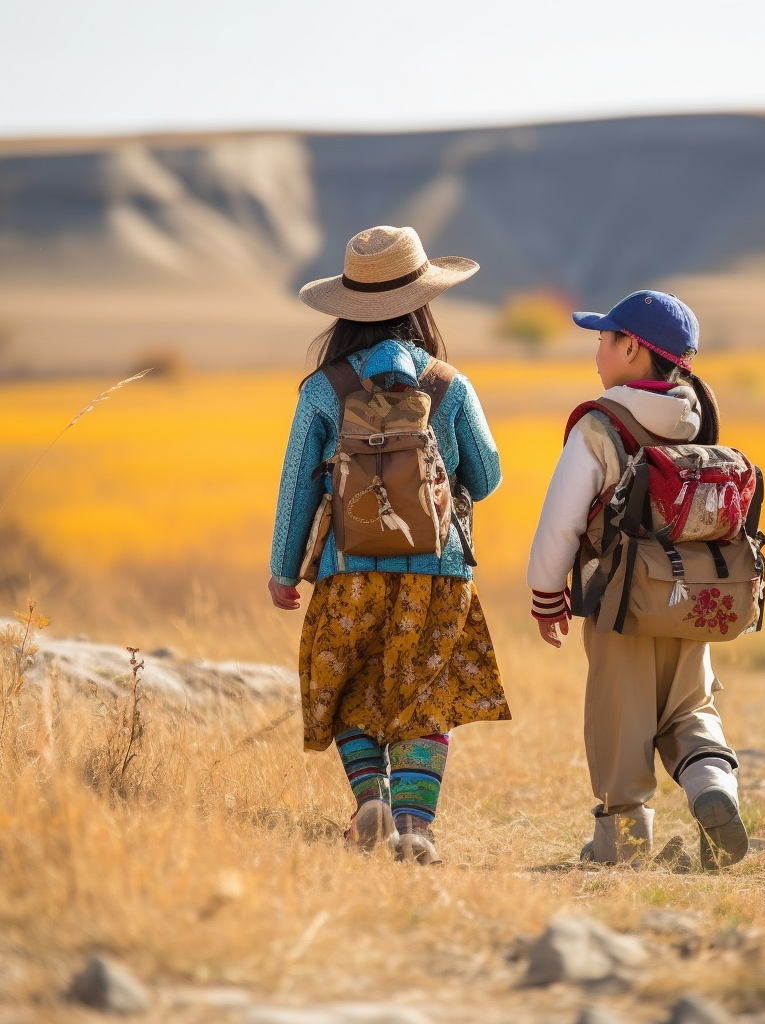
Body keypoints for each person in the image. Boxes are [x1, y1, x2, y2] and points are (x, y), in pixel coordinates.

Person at [269, 225, 509, 865]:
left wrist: (283, 571)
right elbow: (485, 479)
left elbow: (297, 487)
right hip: (440, 572)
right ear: (423, 300)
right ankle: (414, 828)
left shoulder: (323, 389)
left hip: (346, 570)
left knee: (349, 687)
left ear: (346, 309)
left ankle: (368, 799)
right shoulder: (450, 385)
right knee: (424, 697)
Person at [527, 290, 748, 869]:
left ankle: (622, 846)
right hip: (693, 600)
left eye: (605, 337)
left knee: (619, 720)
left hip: (619, 602)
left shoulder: (602, 425)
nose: (597, 348)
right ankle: (713, 789)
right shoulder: (699, 417)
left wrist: (547, 595)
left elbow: (562, 520)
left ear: (632, 348)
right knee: (689, 708)